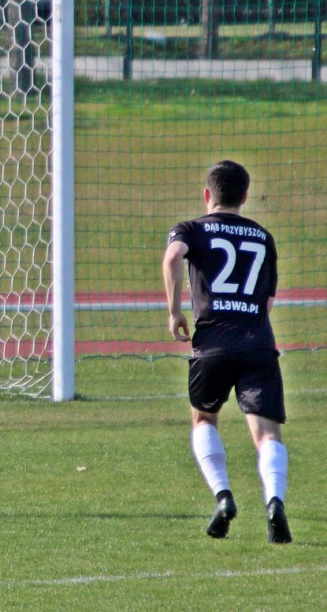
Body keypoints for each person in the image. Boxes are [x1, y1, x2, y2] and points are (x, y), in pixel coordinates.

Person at [162, 160, 291, 544]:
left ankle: (223, 497)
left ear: (207, 195)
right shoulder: (263, 237)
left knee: (203, 420)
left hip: (212, 343)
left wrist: (174, 312)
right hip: (258, 343)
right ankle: (274, 503)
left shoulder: (192, 228)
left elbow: (172, 257)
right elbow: (267, 302)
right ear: (245, 196)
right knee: (268, 435)